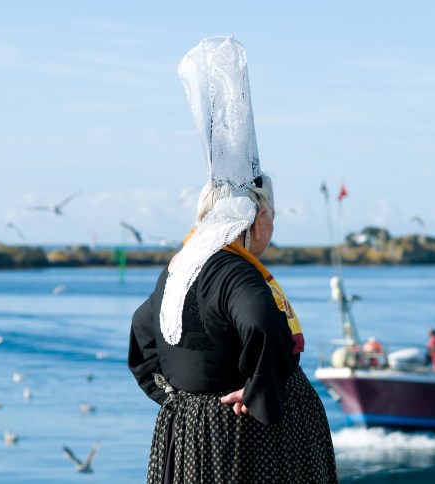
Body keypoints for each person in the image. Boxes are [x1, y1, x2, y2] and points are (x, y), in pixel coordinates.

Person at [128, 37, 337, 484]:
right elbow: (262, 321)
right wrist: (260, 391)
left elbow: (142, 331)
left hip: (191, 436)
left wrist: (181, 398)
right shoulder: (233, 271)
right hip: (243, 441)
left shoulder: (180, 268)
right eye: (271, 215)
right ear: (257, 217)